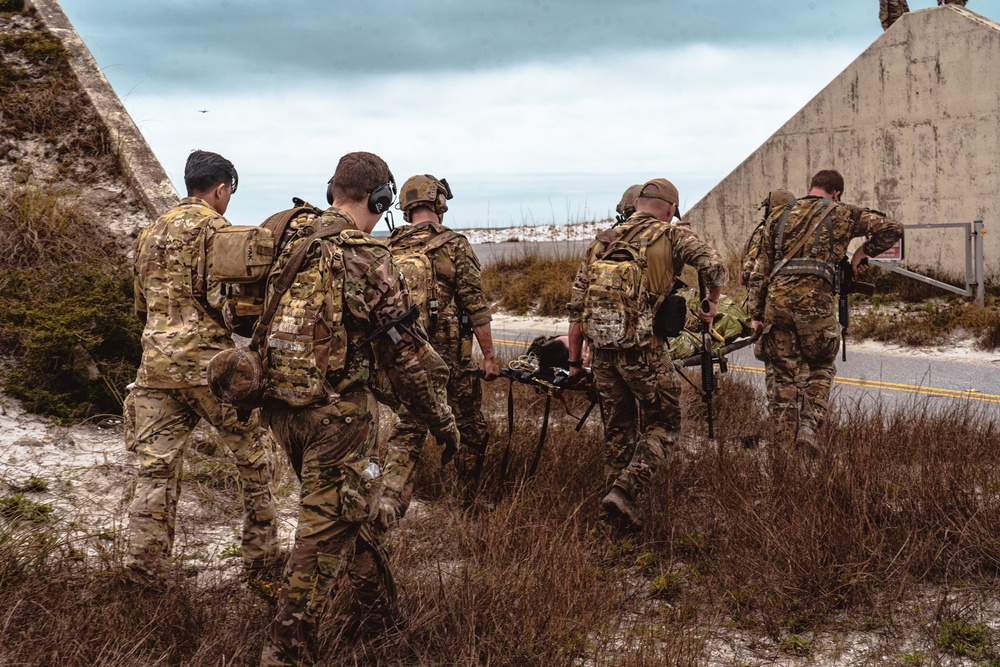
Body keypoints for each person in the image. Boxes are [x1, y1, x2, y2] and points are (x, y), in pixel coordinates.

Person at [258, 153, 460, 667]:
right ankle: (285, 651)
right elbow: (405, 355)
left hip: (282, 410)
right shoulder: (366, 257)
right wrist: (439, 418)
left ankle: (379, 620)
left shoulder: (289, 241)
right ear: (380, 199)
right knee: (322, 539)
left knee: (351, 512)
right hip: (338, 421)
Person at [127, 150, 279, 583]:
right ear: (221, 188)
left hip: (155, 369)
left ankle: (146, 572)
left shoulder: (150, 232)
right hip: (213, 374)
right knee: (255, 463)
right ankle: (262, 564)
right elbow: (231, 307)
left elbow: (143, 305)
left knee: (154, 470)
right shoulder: (218, 231)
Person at [567, 178, 728, 532]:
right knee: (665, 423)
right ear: (671, 209)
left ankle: (609, 524)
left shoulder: (602, 241)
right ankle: (625, 491)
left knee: (618, 432)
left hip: (603, 354)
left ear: (637, 203)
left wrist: (576, 363)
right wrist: (711, 304)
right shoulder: (671, 235)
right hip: (643, 352)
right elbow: (716, 268)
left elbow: (576, 311)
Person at [747, 169, 903, 457]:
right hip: (815, 306)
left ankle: (782, 452)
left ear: (811, 187)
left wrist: (755, 315)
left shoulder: (778, 215)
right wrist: (862, 253)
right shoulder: (843, 212)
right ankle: (809, 426)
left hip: (777, 305)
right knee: (821, 365)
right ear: (837, 193)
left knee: (782, 377)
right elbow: (892, 228)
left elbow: (760, 271)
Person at [378, 174, 498, 515]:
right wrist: (489, 356)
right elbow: (476, 307)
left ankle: (389, 501)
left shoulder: (389, 247)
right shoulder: (454, 244)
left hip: (405, 358)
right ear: (438, 203)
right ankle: (467, 504)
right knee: (471, 428)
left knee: (409, 428)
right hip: (450, 362)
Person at [741, 189, 797, 407]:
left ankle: (781, 422)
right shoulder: (802, 231)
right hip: (801, 312)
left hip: (771, 311)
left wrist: (755, 315)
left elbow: (751, 274)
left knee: (776, 371)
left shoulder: (766, 231)